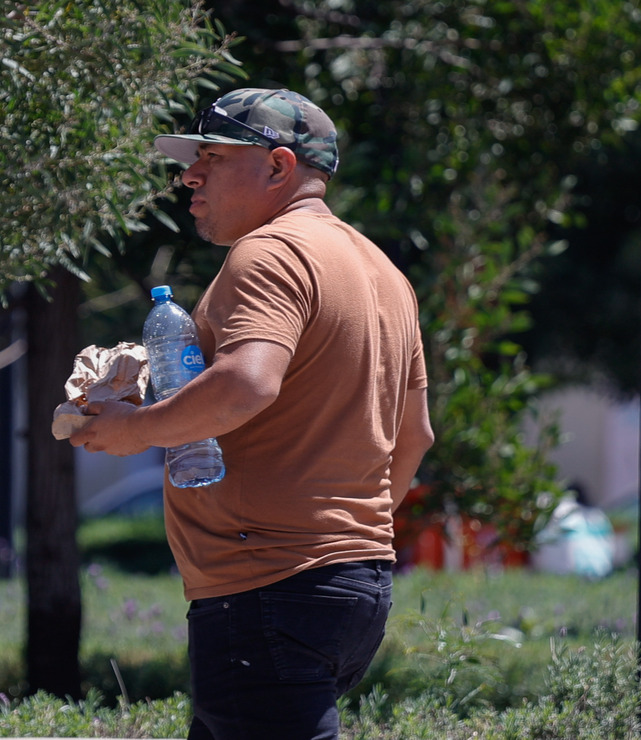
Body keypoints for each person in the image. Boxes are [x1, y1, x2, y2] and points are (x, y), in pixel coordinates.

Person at [69, 88, 435, 739]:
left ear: (278, 167)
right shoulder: (383, 273)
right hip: (353, 588)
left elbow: (245, 384)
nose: (190, 175)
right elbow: (414, 437)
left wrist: (134, 431)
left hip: (268, 588)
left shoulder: (269, 253)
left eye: (212, 157)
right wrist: (346, 537)